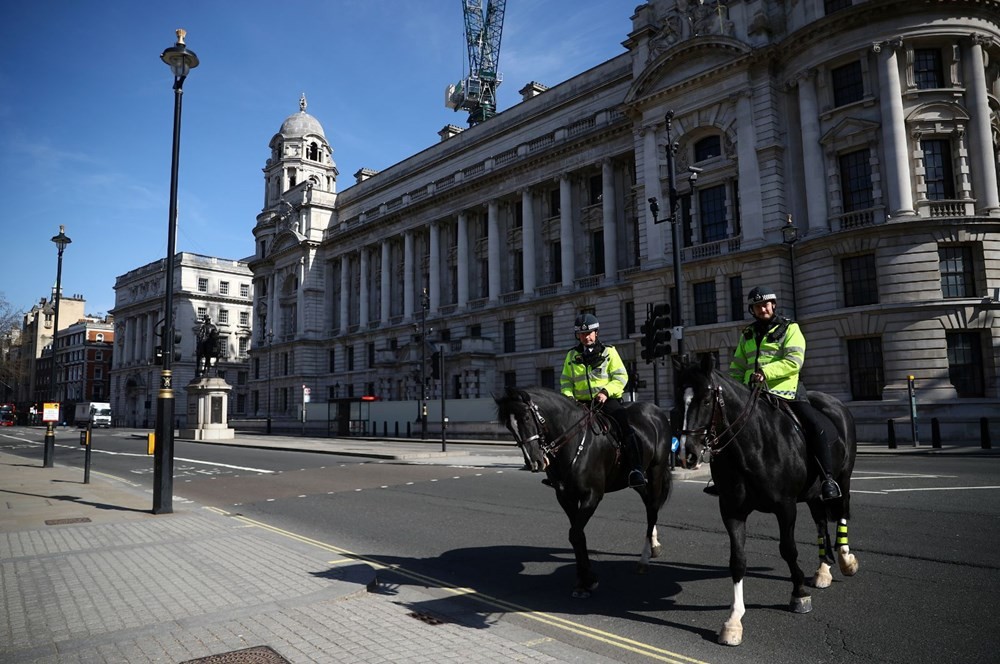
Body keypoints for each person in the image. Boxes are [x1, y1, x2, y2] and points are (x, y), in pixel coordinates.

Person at [708, 286, 841, 501]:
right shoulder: (748, 334)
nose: (763, 309)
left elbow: (794, 361)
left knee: (814, 426)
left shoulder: (790, 329)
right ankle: (724, 479)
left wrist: (765, 373)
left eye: (766, 304)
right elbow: (737, 367)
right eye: (757, 306)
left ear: (774, 305)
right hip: (753, 395)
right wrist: (734, 388)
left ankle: (827, 479)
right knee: (726, 429)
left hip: (787, 394)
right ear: (752, 310)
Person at [559, 313, 646, 488]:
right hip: (579, 403)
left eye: (590, 333)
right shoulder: (571, 356)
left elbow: (621, 377)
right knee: (562, 431)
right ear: (578, 336)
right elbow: (566, 381)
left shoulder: (609, 352)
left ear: (596, 333)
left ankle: (636, 470)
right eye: (583, 334)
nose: (587, 337)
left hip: (606, 401)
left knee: (625, 428)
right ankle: (560, 472)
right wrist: (569, 398)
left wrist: (606, 392)